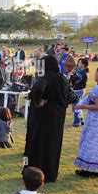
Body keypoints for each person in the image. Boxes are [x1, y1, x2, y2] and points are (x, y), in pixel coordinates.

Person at [24, 55, 67, 183]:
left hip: (44, 115)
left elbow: (38, 88)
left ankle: (34, 172)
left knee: (38, 142)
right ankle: (50, 173)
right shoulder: (62, 78)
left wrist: (38, 102)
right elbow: (70, 97)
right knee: (52, 143)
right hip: (58, 116)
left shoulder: (46, 77)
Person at [74, 67, 98, 178]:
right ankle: (91, 169)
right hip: (94, 120)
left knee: (91, 143)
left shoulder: (97, 89)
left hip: (95, 121)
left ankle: (89, 169)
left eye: (97, 73)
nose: (95, 75)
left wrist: (83, 106)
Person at [70, 58, 89, 127]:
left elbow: (73, 80)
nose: (78, 64)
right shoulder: (82, 71)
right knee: (78, 105)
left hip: (79, 90)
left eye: (79, 63)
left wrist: (72, 74)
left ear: (83, 65)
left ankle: (77, 122)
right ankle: (81, 120)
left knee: (76, 106)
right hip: (80, 90)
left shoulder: (82, 73)